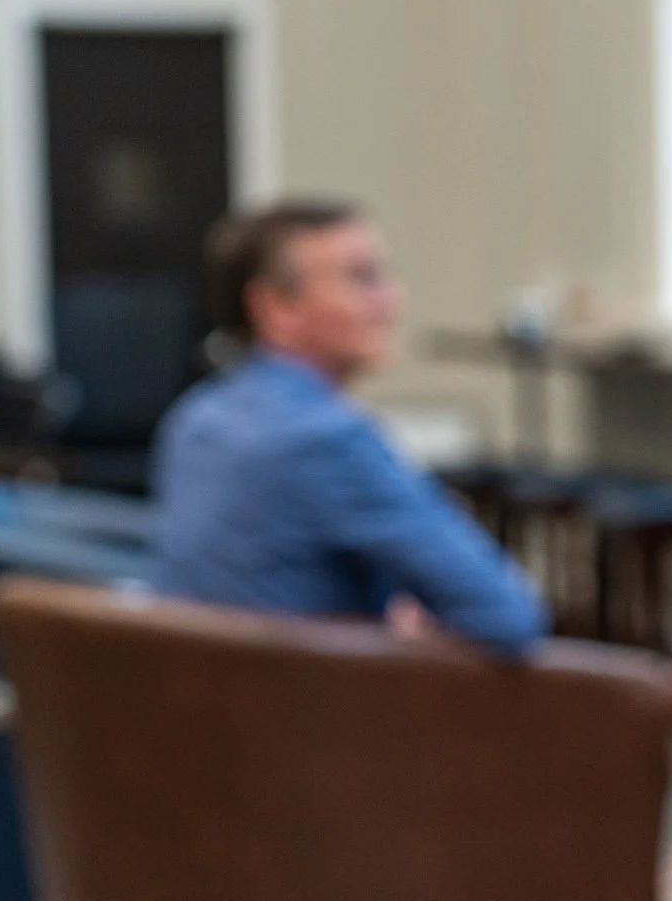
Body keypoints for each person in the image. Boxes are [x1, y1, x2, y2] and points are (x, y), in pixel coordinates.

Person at [152, 200, 545, 654]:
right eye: (363, 279)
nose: (393, 300)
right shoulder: (322, 439)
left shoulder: (197, 421)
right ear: (275, 307)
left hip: (200, 706)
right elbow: (507, 614)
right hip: (309, 712)